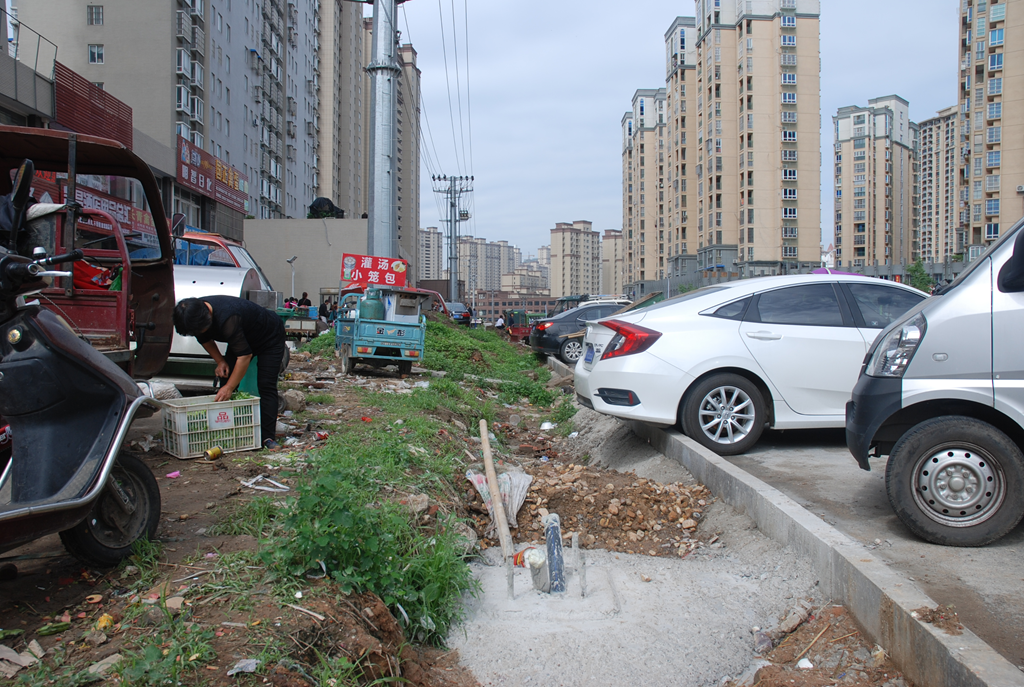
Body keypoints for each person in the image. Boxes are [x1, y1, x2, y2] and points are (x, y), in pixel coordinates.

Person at [173, 296, 286, 450]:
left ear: (208, 318)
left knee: (265, 384)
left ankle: (267, 438)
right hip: (242, 337)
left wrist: (230, 388)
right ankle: (228, 430)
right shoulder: (194, 313)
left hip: (269, 337)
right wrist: (220, 361)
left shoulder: (228, 318)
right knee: (225, 380)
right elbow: (205, 339)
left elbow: (244, 356)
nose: (198, 333)